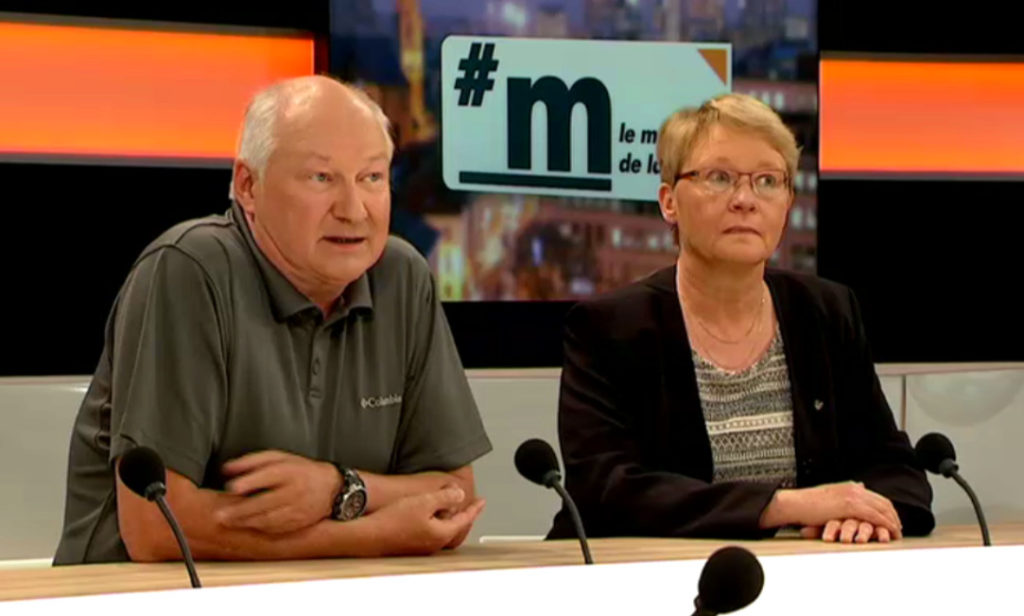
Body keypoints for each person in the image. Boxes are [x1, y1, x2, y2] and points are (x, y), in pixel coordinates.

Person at [55, 76, 492, 564]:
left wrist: (337, 488)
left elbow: (454, 496)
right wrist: (375, 533)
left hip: (330, 593)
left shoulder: (401, 276)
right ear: (248, 185)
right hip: (140, 595)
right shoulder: (189, 269)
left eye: (371, 178)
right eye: (321, 178)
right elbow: (156, 527)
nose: (354, 211)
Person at [548, 93, 934, 544]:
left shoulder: (827, 311)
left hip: (807, 573)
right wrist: (782, 506)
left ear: (788, 202)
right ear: (669, 202)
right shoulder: (608, 328)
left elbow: (895, 468)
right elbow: (606, 491)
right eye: (719, 178)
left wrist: (863, 514)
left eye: (768, 181)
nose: (746, 200)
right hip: (651, 575)